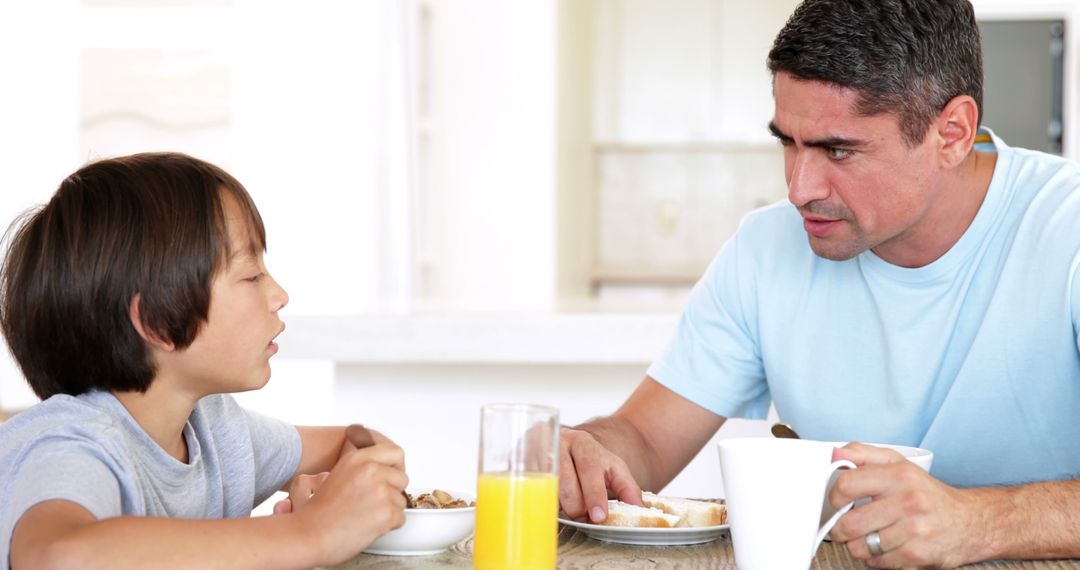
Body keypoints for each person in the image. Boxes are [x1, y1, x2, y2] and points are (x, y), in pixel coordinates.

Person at [558, 0, 1080, 567]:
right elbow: (646, 439)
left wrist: (978, 521)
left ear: (951, 133)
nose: (799, 189)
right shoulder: (764, 250)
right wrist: (592, 453)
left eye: (838, 150)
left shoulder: (1067, 230)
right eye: (788, 142)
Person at [0, 152, 409, 569]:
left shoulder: (213, 429)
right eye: (251, 275)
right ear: (158, 321)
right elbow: (53, 556)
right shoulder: (73, 441)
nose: (278, 295)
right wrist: (311, 533)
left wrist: (346, 486)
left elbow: (352, 443)